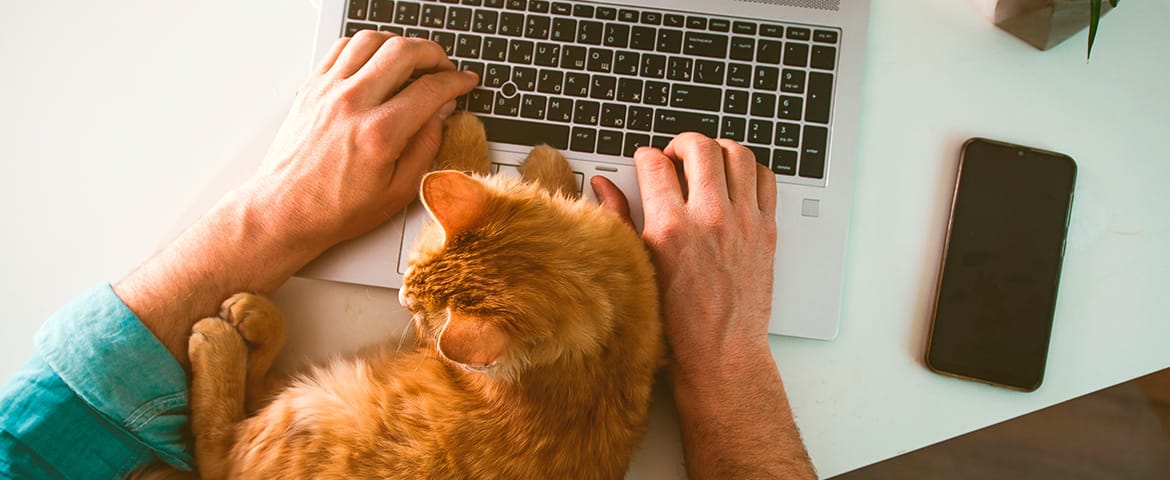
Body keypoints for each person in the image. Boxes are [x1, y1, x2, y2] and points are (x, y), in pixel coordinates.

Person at [0, 32, 814, 479]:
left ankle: (225, 447)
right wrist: (728, 362)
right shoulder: (566, 313)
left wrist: (269, 219)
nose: (416, 316)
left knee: (332, 429)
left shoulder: (501, 338)